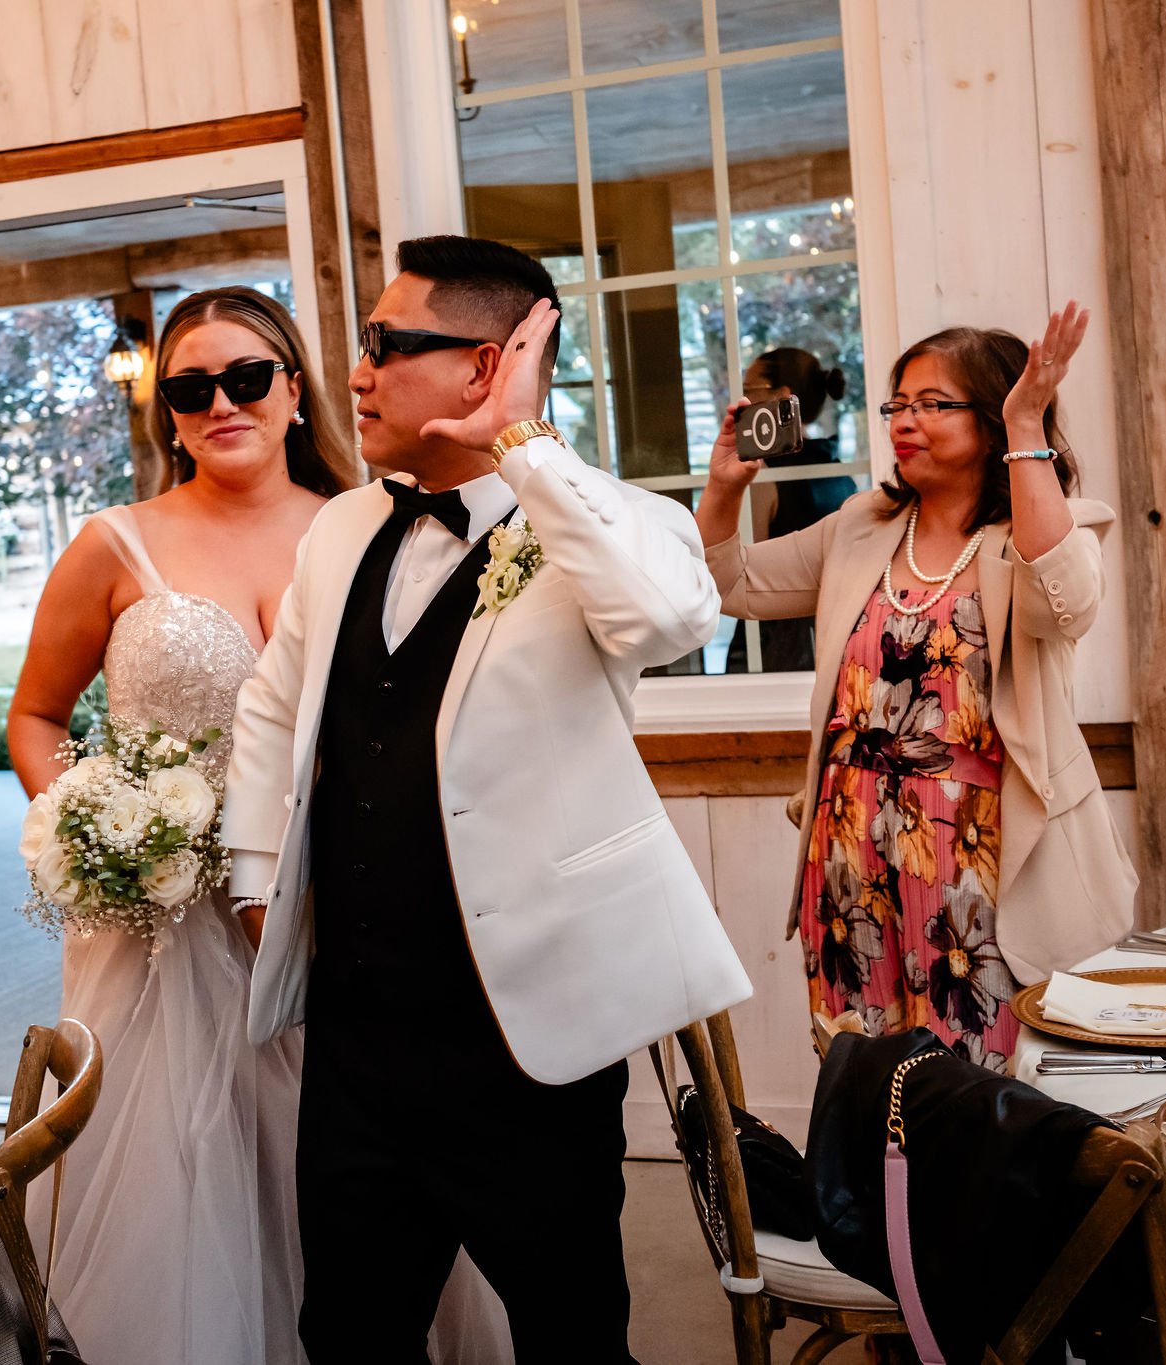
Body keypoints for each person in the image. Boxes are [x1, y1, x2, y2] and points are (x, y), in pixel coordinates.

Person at [222, 236, 753, 1363]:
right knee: (350, 1333)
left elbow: (665, 621)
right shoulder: (340, 529)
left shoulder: (607, 521)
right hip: (356, 1038)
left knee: (569, 1335)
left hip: (527, 1042)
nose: (352, 374)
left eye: (380, 346)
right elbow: (272, 711)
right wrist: (258, 883)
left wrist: (522, 445)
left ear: (480, 366)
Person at [8, 287, 507, 1365]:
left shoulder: (378, 524)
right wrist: (88, 824)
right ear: (166, 414)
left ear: (291, 389)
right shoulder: (112, 545)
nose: (219, 403)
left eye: (245, 378)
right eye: (189, 389)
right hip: (163, 935)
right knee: (184, 1188)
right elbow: (35, 715)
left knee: (357, 1166)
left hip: (349, 906)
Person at [696, 305, 1134, 1072]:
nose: (905, 420)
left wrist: (1028, 424)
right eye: (897, 404)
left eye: (933, 404)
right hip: (847, 847)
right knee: (865, 1072)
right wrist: (725, 488)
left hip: (978, 854)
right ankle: (874, 1199)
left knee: (974, 1078)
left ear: (994, 416)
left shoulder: (1048, 529)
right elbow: (726, 583)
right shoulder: (861, 524)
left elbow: (1064, 601)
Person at [724, 347, 854, 673]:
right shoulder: (836, 468)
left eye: (749, 389)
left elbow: (739, 564)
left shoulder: (764, 474)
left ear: (782, 396)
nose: (740, 401)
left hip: (774, 634)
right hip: (839, 629)